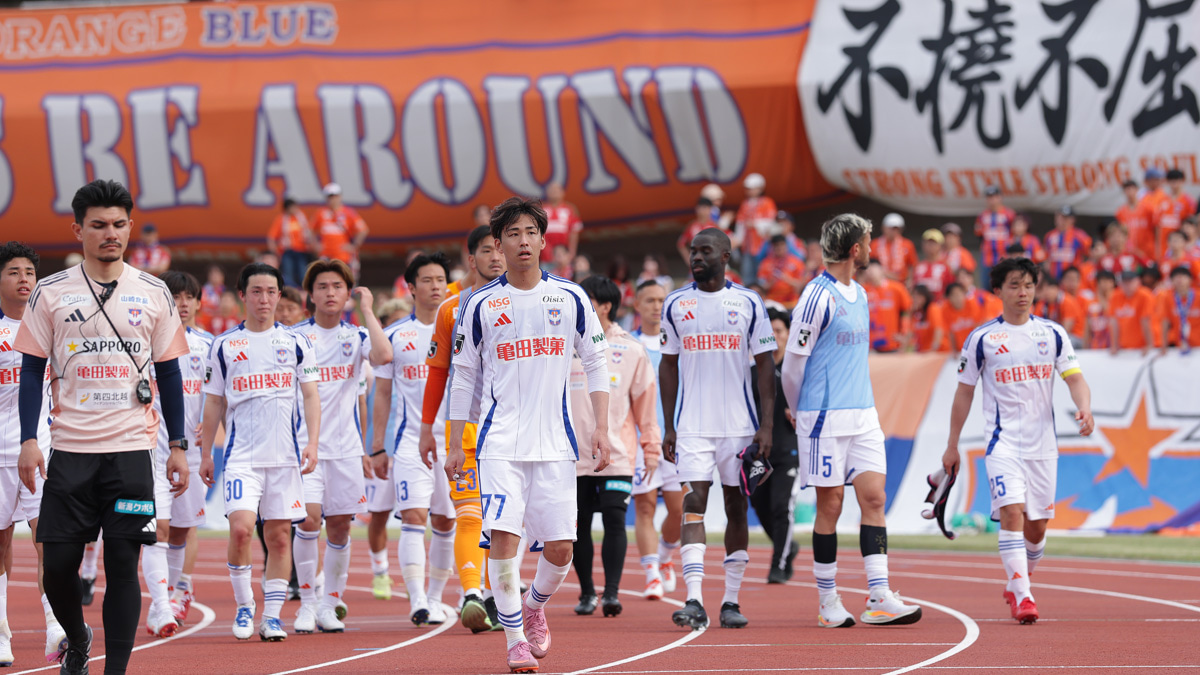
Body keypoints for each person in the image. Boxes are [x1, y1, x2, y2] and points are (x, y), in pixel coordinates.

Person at [15, 179, 190, 675]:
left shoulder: (154, 292)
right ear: (78, 231)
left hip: (132, 452)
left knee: (122, 565)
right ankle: (77, 637)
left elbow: (169, 373)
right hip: (70, 450)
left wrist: (177, 444)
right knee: (57, 568)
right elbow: (31, 370)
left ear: (130, 227)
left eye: (118, 224)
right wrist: (29, 439)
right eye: (98, 225)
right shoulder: (50, 292)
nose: (110, 233)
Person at [445, 197, 612, 673]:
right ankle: (515, 640)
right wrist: (456, 443)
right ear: (498, 244)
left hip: (556, 444)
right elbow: (463, 376)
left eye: (530, 233)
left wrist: (601, 427)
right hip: (499, 445)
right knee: (504, 538)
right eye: (512, 234)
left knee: (561, 549)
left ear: (543, 240)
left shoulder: (571, 297)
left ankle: (534, 606)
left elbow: (596, 361)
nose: (523, 241)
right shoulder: (480, 304)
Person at [781, 213, 921, 629]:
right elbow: (792, 365)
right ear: (856, 249)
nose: (873, 247)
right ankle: (828, 601)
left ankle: (879, 596)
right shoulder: (815, 297)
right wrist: (796, 409)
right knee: (831, 505)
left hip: (863, 415)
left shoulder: (859, 292)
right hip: (823, 418)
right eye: (869, 241)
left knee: (874, 499)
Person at [943, 256, 1093, 625]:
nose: (1023, 292)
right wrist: (952, 443)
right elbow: (963, 392)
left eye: (1028, 285)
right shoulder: (982, 339)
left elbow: (1075, 378)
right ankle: (1023, 595)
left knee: (1037, 529)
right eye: (1014, 285)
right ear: (998, 290)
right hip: (1002, 444)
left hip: (1043, 446)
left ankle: (1016, 582)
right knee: (1012, 512)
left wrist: (1084, 408)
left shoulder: (1053, 333)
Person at [660, 227, 776, 631]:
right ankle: (693, 599)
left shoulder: (748, 302)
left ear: (725, 256)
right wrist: (669, 425)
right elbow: (668, 365)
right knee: (693, 503)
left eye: (705, 251)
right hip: (692, 426)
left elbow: (766, 366)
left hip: (739, 428)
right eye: (693, 251)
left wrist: (766, 426)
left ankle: (731, 600)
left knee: (735, 508)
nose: (696, 257)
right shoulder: (676, 303)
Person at [199, 262, 320, 642]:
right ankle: (244, 605)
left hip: (285, 459)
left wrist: (312, 443)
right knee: (240, 530)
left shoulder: (297, 342)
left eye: (271, 292)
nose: (264, 299)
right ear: (242, 296)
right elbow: (213, 402)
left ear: (279, 296)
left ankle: (272, 617)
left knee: (280, 537)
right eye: (256, 291)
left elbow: (311, 395)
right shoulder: (224, 345)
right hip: (241, 459)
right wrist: (206, 454)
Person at [291, 259, 390, 633]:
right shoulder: (296, 337)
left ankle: (329, 605)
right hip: (305, 447)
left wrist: (368, 310)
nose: (330, 293)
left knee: (339, 529)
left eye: (337, 286)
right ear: (310, 295)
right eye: (322, 286)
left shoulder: (357, 336)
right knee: (308, 520)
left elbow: (384, 356)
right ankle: (306, 603)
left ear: (347, 293)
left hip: (346, 450)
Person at [418, 225, 507, 633]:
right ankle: (473, 593)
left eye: (500, 249)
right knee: (470, 515)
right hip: (466, 431)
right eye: (487, 250)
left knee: (504, 521)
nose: (496, 257)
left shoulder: (528, 303)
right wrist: (426, 429)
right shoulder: (450, 310)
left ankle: (494, 595)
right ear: (471, 259)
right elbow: (438, 373)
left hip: (511, 430)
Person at [373, 253, 457, 627]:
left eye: (441, 279)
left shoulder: (461, 332)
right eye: (427, 280)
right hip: (410, 442)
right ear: (411, 287)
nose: (436, 286)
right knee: (414, 517)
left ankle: (436, 598)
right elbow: (382, 395)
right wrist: (378, 446)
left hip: (455, 443)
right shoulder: (395, 336)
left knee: (446, 521)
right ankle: (418, 600)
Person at [570, 275, 661, 617]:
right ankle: (586, 593)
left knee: (614, 520)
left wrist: (651, 449)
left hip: (618, 455)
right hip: (572, 456)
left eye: (587, 301)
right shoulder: (562, 346)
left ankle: (610, 593)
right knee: (577, 526)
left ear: (605, 306)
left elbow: (646, 408)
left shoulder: (632, 350)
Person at [0, 242, 67, 666]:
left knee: (50, 540)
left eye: (29, 272)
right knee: (1, 543)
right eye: (13, 272)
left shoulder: (50, 328)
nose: (24, 279)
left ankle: (55, 625)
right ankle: (1, 632)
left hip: (42, 452)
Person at [154, 271, 211, 630]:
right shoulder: (147, 342)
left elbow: (223, 394)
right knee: (158, 528)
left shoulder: (208, 345)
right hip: (152, 450)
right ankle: (162, 600)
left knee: (182, 528)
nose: (183, 303)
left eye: (189, 296)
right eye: (175, 296)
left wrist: (213, 423)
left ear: (199, 303)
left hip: (190, 452)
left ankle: (181, 589)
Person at [629, 281, 683, 601]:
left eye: (662, 300)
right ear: (637, 304)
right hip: (640, 439)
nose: (657, 306)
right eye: (649, 300)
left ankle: (664, 555)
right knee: (645, 506)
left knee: (680, 509)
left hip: (675, 438)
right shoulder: (628, 344)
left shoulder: (678, 343)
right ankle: (651, 574)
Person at [751, 308, 800, 584]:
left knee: (782, 506)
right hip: (759, 453)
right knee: (760, 505)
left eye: (779, 331)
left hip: (788, 451)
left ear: (788, 334)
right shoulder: (753, 371)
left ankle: (778, 565)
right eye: (769, 332)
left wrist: (800, 411)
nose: (774, 336)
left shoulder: (797, 370)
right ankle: (787, 546)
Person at [313, 183, 369, 275]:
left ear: (340, 196)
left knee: (345, 279)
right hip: (325, 255)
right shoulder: (321, 213)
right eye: (330, 196)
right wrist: (315, 244)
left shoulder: (348, 212)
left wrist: (355, 246)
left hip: (343, 256)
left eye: (335, 196)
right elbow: (311, 230)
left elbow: (363, 229)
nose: (333, 199)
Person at [734, 173, 777, 283]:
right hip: (747, 247)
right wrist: (737, 240)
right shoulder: (745, 204)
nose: (750, 191)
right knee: (747, 276)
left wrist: (754, 224)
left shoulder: (767, 202)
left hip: (763, 246)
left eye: (752, 188)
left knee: (762, 275)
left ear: (760, 188)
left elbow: (770, 222)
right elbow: (740, 224)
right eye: (748, 189)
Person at [861, 259, 911, 353]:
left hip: (892, 344)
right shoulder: (862, 290)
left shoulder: (897, 288)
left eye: (872, 268)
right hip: (870, 347)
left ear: (881, 269)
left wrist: (904, 334)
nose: (869, 272)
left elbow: (907, 312)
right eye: (866, 269)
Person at [267, 198, 315, 289]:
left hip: (301, 251)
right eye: (293, 207)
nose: (295, 209)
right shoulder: (281, 220)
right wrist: (275, 253)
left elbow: (309, 233)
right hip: (287, 252)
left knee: (303, 274)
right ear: (287, 208)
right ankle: (290, 292)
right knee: (288, 275)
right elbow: (271, 237)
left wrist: (312, 246)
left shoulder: (301, 218)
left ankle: (305, 292)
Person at [976, 186, 1016, 288]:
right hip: (987, 257)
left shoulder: (1009, 214)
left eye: (995, 196)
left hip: (1004, 256)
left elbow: (1015, 234)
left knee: (1005, 285)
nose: (992, 200)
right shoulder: (982, 216)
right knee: (987, 285)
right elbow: (979, 235)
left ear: (1000, 197)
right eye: (989, 197)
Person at [1109, 270, 1155, 355]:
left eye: (1130, 282)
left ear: (1138, 281)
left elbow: (1146, 321)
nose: (1127, 285)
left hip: (1142, 347)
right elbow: (1114, 322)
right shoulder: (1115, 296)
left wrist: (1149, 345)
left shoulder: (1145, 295)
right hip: (1125, 347)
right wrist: (1114, 345)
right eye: (1124, 282)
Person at [1154, 169, 1196, 260]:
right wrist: (1157, 248)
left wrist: (1189, 244)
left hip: (1181, 247)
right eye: (1172, 181)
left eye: (1177, 180)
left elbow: (1192, 226)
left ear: (1182, 181)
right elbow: (1157, 226)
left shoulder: (1188, 201)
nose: (1174, 184)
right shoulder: (1162, 201)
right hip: (1164, 246)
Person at [1034, 275, 1086, 347]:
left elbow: (1066, 329)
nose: (1047, 292)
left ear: (1057, 289)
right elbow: (1036, 326)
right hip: (1051, 336)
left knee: (1063, 342)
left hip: (1075, 336)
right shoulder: (1041, 304)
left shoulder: (1067, 301)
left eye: (1050, 288)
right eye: (1044, 289)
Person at [757, 235, 807, 308]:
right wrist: (770, 283)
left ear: (786, 246)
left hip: (792, 302)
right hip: (772, 303)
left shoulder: (797, 262)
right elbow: (760, 288)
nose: (779, 248)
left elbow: (801, 287)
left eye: (782, 244)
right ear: (772, 248)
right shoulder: (765, 263)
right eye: (776, 245)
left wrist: (787, 279)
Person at [1044, 206, 1093, 280]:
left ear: (1072, 219)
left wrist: (1083, 269)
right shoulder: (1049, 235)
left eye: (1065, 218)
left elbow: (1091, 253)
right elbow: (1046, 256)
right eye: (1059, 217)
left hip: (1072, 279)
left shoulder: (1080, 235)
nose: (1062, 220)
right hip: (1053, 279)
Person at [540, 182, 583, 266]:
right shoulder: (541, 210)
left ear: (562, 192)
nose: (554, 192)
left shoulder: (570, 209)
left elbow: (574, 233)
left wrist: (572, 253)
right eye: (551, 190)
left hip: (565, 257)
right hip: (546, 258)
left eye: (556, 190)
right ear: (547, 193)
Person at [1159, 266, 1199, 352]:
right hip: (1179, 345)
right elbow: (1165, 321)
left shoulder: (1198, 296)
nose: (1180, 280)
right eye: (1176, 277)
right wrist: (1164, 344)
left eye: (1183, 277)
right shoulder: (1167, 298)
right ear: (1171, 281)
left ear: (1190, 280)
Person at [870, 213, 918, 284]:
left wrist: (910, 280)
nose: (894, 231)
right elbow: (870, 264)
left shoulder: (907, 244)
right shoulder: (875, 244)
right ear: (883, 228)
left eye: (897, 229)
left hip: (901, 283)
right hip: (879, 283)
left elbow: (912, 265)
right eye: (891, 228)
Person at [1116, 179, 1154, 258]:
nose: (1129, 192)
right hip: (1129, 251)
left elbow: (1155, 228)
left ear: (1137, 190)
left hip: (1147, 251)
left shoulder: (1148, 209)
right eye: (1127, 189)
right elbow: (1121, 233)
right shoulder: (1120, 212)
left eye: (1131, 189)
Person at [913, 229, 954, 298]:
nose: (930, 245)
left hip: (939, 303)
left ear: (941, 246)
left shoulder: (946, 266)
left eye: (934, 243)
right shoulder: (918, 266)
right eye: (928, 243)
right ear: (923, 245)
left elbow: (950, 289)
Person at [941, 283, 981, 352]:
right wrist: (954, 351)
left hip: (975, 347)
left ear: (964, 294)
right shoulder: (945, 310)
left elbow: (978, 327)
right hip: (959, 351)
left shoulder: (972, 304)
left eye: (959, 294)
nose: (957, 298)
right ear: (948, 298)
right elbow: (950, 333)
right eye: (954, 295)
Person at [678, 198, 716, 265]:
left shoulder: (714, 226)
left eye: (705, 208)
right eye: (700, 208)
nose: (703, 211)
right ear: (697, 209)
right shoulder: (692, 226)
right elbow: (681, 244)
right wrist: (688, 260)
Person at [909, 285, 947, 352]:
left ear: (925, 296)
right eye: (914, 296)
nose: (915, 299)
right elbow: (911, 333)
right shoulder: (917, 312)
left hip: (939, 351)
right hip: (924, 352)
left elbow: (938, 330)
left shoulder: (932, 308)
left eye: (918, 296)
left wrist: (933, 350)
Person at [1085, 271, 1117, 349]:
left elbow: (1109, 313)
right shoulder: (1090, 303)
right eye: (1102, 281)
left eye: (1108, 281)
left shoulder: (1117, 300)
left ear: (1113, 283)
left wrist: (1101, 298)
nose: (1105, 284)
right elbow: (1087, 327)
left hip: (1113, 345)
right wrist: (1085, 346)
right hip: (1096, 345)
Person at [199, 265, 225, 332]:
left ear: (222, 276)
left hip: (222, 327)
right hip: (205, 326)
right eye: (212, 274)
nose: (215, 276)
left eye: (217, 273)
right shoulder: (202, 291)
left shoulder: (226, 292)